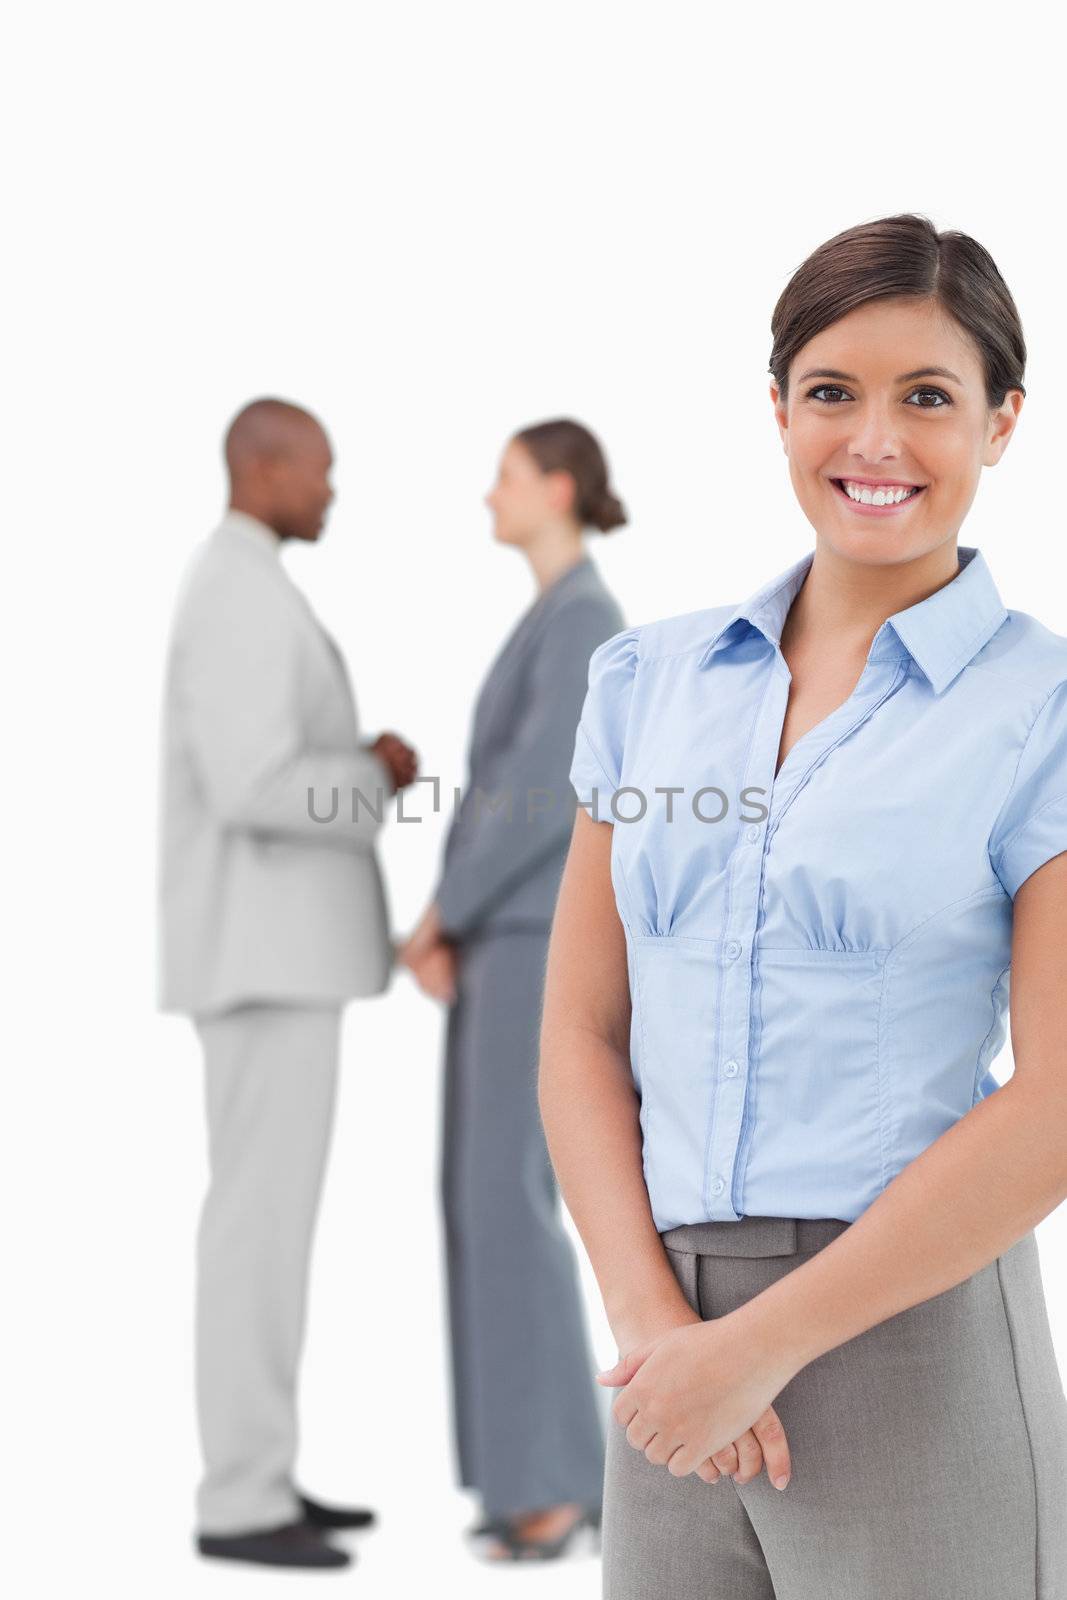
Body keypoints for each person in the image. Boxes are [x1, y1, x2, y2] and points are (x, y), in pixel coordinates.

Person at [540, 214, 1067, 1599]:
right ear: (776, 406)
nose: (873, 441)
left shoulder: (1044, 708)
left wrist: (760, 1346)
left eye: (928, 398)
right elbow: (582, 1038)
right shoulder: (644, 684)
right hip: (663, 1350)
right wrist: (662, 1331)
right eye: (831, 391)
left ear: (1002, 423)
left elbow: (1057, 1099)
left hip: (909, 1335)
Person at [158, 397, 418, 1569]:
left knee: (265, 1230)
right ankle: (240, 1498)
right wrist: (370, 771)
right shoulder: (237, 590)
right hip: (263, 961)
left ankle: (261, 1471)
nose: (329, 490)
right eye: (317, 470)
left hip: (275, 960)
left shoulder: (247, 583)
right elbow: (253, 782)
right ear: (261, 467)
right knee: (255, 1233)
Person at [399, 419, 627, 1560]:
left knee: (507, 1197)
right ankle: (528, 1477)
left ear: (555, 486)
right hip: (507, 938)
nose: (487, 494)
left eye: (502, 476)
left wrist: (439, 914)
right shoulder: (556, 616)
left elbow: (534, 796)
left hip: (530, 937)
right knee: (486, 1199)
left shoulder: (583, 618)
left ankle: (552, 1484)